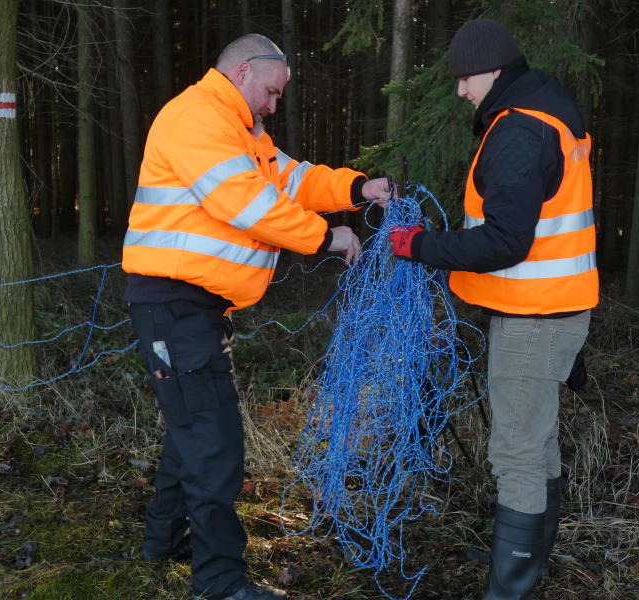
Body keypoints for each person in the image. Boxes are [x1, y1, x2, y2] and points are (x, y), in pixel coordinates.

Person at [122, 34, 392, 600]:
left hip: (194, 307)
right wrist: (324, 236)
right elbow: (244, 202)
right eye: (271, 92)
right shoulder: (195, 118)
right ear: (243, 72)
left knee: (192, 427)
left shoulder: (246, 133)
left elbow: (295, 180)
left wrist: (357, 187)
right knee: (215, 443)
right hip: (173, 303)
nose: (273, 105)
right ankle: (220, 582)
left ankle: (163, 540)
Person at [388, 19, 599, 599]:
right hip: (555, 310)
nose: (460, 91)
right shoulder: (549, 114)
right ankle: (524, 558)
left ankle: (510, 585)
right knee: (537, 442)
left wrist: (420, 247)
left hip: (534, 319)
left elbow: (506, 241)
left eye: (465, 78)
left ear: (495, 71)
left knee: (518, 453)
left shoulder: (519, 130)